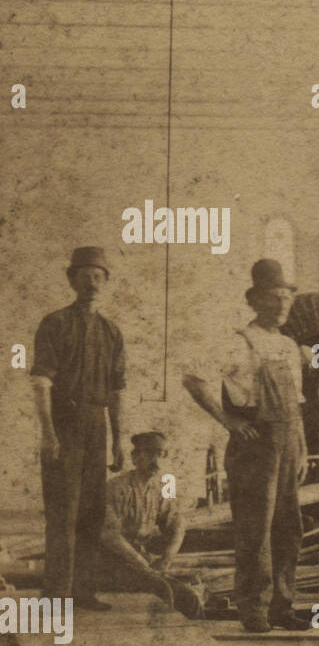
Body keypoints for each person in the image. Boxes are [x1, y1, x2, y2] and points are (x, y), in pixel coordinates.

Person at [182, 260, 310, 632]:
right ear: (255, 301)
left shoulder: (289, 346)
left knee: (289, 528)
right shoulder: (239, 341)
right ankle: (253, 610)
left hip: (286, 445)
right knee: (255, 530)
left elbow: (296, 404)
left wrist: (301, 448)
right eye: (274, 297)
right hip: (255, 447)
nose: (283, 304)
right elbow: (194, 379)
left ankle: (282, 607)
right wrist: (230, 422)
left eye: (287, 297)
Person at [30, 246, 127, 610]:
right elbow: (41, 382)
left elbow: (117, 392)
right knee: (62, 512)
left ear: (106, 283)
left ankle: (84, 592)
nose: (92, 283)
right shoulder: (54, 324)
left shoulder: (112, 332)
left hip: (96, 426)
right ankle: (56, 595)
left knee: (91, 512)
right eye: (85, 276)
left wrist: (118, 442)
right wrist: (48, 433)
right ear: (72, 280)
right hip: (64, 425)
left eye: (99, 276)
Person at [99, 431, 204, 619]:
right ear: (135, 457)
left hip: (141, 559)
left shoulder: (164, 486)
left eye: (162, 454)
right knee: (173, 594)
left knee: (190, 597)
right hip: (113, 562)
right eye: (150, 453)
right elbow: (110, 535)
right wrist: (141, 562)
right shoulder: (117, 487)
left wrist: (167, 558)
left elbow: (177, 524)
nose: (157, 460)